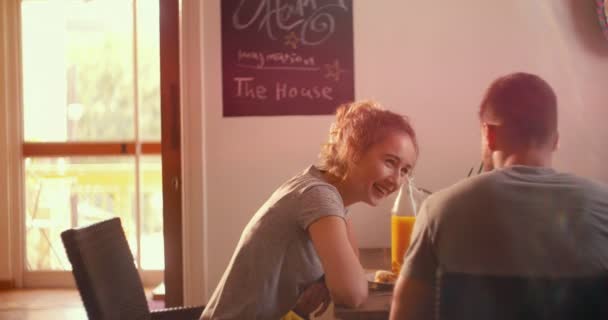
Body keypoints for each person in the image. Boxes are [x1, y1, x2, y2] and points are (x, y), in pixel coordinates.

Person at [390, 72, 608, 320]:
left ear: (489, 134)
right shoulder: (604, 205)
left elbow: (404, 316)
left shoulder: (440, 210)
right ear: (555, 140)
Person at [202, 100, 419, 320]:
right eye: (390, 162)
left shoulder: (332, 196)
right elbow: (353, 294)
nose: (397, 180)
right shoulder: (318, 195)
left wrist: (328, 279)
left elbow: (352, 260)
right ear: (354, 149)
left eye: (405, 171)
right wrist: (336, 279)